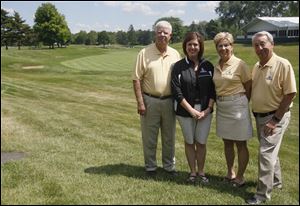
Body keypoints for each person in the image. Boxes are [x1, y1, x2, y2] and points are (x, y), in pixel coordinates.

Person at [246, 31, 297, 205]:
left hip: (275, 116)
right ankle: (276, 182)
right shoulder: (257, 66)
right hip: (260, 116)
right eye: (256, 45)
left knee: (265, 154)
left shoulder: (283, 64)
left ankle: (261, 195)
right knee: (269, 151)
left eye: (263, 44)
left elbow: (290, 94)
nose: (259, 48)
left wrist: (275, 120)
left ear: (272, 44)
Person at [132, 21, 181, 176]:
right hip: (150, 100)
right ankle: (151, 167)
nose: (162, 35)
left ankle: (168, 166)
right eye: (159, 32)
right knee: (149, 136)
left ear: (170, 36)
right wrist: (140, 102)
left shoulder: (175, 54)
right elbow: (136, 79)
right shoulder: (144, 53)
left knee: (169, 136)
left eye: (165, 32)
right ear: (155, 33)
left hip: (169, 101)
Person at [171, 32, 215, 184]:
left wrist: (207, 110)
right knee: (189, 141)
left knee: (201, 142)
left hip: (205, 111)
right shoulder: (178, 66)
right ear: (185, 46)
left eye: (195, 44)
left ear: (200, 46)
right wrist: (191, 110)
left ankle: (201, 172)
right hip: (185, 111)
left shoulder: (208, 66)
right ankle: (192, 172)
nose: (192, 47)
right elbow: (176, 92)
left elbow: (213, 91)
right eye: (189, 44)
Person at [213, 32, 253, 187]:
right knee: (227, 142)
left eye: (226, 45)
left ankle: (240, 177)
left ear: (232, 46)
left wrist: (241, 102)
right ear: (217, 48)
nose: (223, 48)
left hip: (237, 106)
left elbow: (248, 86)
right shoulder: (217, 65)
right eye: (220, 45)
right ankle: (230, 173)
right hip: (222, 107)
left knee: (240, 143)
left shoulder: (240, 64)